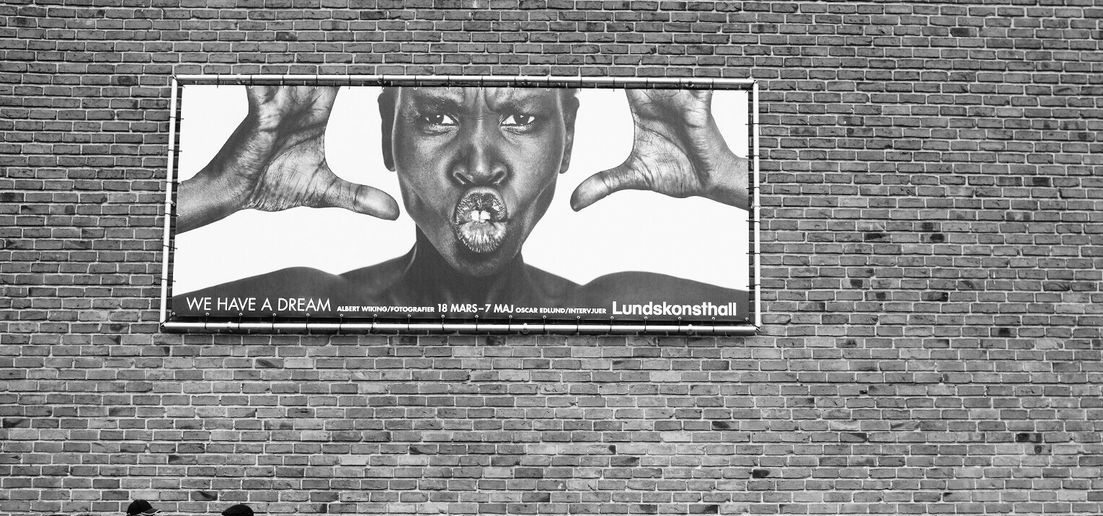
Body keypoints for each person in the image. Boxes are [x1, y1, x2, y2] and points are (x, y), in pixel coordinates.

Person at [173, 84, 750, 320]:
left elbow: (818, 325)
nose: (479, 163)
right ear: (386, 133)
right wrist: (219, 188)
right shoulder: (313, 306)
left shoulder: (615, 311)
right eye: (438, 117)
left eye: (521, 119)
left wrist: (728, 177)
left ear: (567, 136)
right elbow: (101, 315)